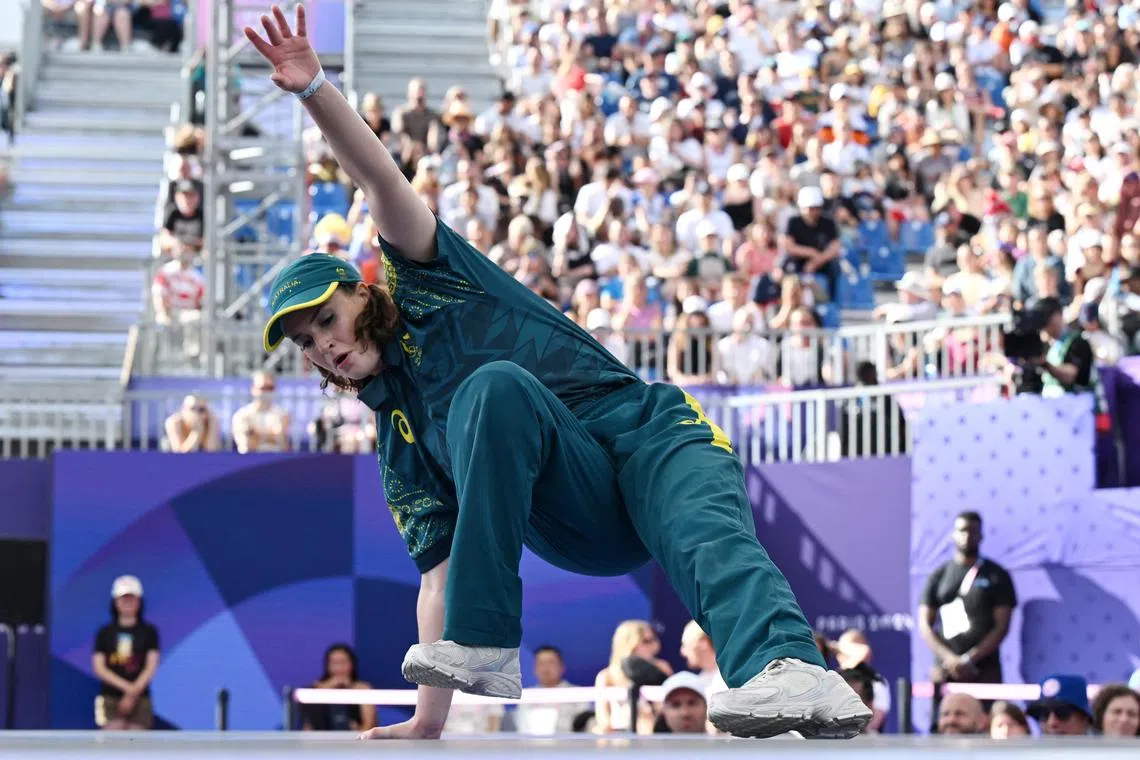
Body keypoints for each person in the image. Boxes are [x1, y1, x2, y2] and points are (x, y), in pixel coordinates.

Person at [246, 6, 870, 742]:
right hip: (577, 508)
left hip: (651, 438)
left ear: (362, 291)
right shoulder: (399, 439)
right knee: (497, 390)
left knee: (701, 529)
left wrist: (315, 86)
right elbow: (437, 576)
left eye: (326, 319)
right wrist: (428, 719)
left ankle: (794, 675)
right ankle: (486, 643)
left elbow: (379, 175)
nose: (323, 345)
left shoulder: (430, 278)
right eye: (305, 344)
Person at [918, 511, 1016, 686]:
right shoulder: (939, 575)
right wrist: (950, 659)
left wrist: (968, 660)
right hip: (946, 669)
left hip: (984, 670)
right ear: (953, 534)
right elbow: (925, 624)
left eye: (973, 531)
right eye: (962, 530)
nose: (967, 536)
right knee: (948, 713)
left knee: (986, 713)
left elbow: (1001, 626)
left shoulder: (996, 575)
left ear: (981, 535)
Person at [92, 576, 160, 730]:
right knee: (111, 743)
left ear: (139, 601)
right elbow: (99, 667)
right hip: (110, 697)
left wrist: (133, 693)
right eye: (124, 599)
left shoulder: (149, 632)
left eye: (132, 599)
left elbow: (151, 666)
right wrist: (127, 689)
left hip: (141, 698)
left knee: (137, 744)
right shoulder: (105, 632)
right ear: (116, 602)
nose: (128, 603)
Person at [301, 644, 376, 732]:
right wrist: (329, 687)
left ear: (352, 664)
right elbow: (307, 727)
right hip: (320, 740)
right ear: (327, 665)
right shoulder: (313, 691)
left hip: (354, 741)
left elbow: (368, 727)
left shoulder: (363, 690)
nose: (339, 667)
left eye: (343, 662)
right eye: (334, 663)